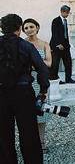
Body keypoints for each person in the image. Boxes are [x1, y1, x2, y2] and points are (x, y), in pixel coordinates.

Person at [0, 14, 49, 164]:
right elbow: (42, 68)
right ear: (19, 28)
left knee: (3, 134)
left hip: (1, 93)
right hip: (23, 93)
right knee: (29, 133)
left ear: (2, 28)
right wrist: (43, 90)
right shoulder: (26, 46)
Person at [22, 18, 52, 153]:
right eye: (26, 28)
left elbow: (49, 63)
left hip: (42, 81)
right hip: (27, 81)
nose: (29, 30)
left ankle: (42, 141)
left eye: (31, 27)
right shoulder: (23, 44)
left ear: (37, 27)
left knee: (41, 113)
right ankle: (30, 143)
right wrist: (39, 63)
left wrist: (35, 64)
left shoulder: (45, 44)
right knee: (27, 114)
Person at [49, 5, 75, 84]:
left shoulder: (65, 21)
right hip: (57, 46)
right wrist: (58, 44)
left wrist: (68, 44)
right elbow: (54, 33)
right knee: (56, 63)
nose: (68, 14)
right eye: (67, 13)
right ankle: (55, 79)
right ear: (62, 12)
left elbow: (65, 34)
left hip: (66, 46)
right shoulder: (55, 21)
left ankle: (68, 78)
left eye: (68, 13)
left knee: (68, 63)